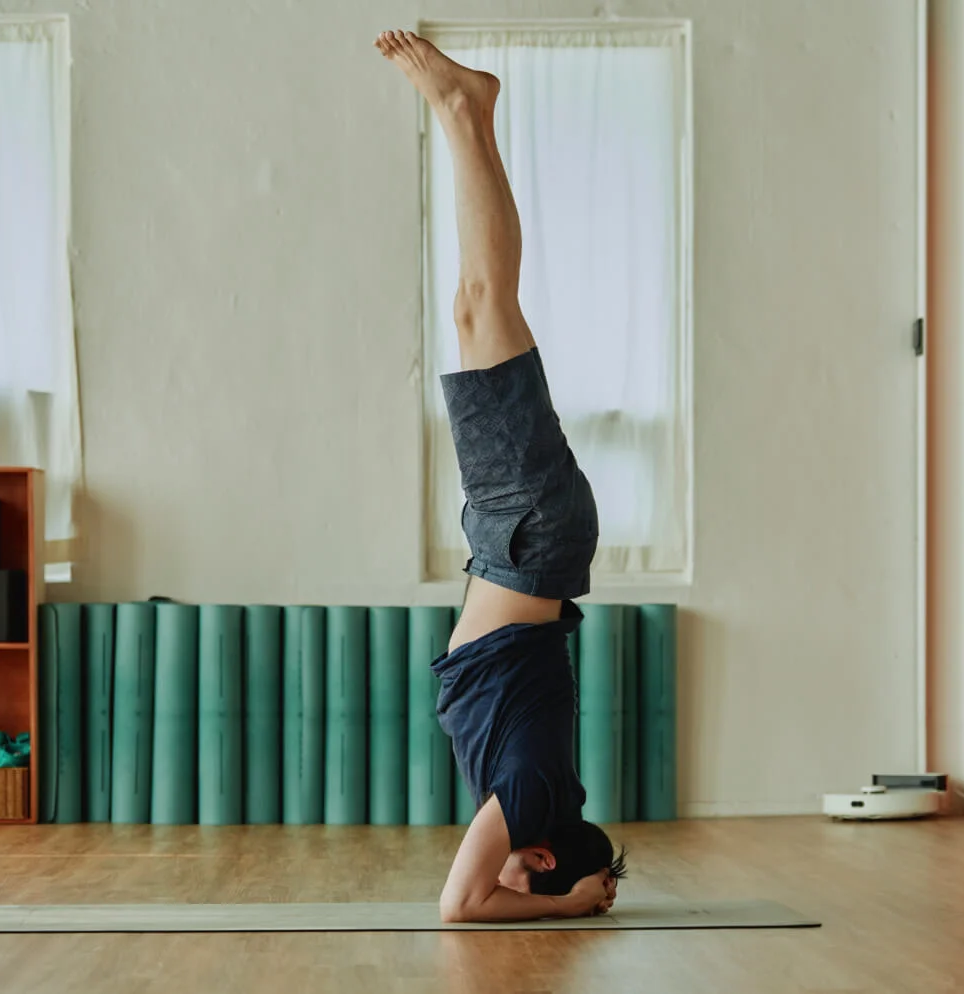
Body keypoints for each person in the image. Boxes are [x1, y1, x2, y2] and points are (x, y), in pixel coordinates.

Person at [375, 29, 627, 923]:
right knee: (486, 303)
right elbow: (460, 907)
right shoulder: (527, 796)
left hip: (517, 545)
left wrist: (573, 893)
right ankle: (462, 109)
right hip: (529, 538)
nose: (500, 880)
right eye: (525, 878)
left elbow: (479, 890)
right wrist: (569, 908)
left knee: (474, 308)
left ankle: (464, 113)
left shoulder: (547, 794)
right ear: (543, 854)